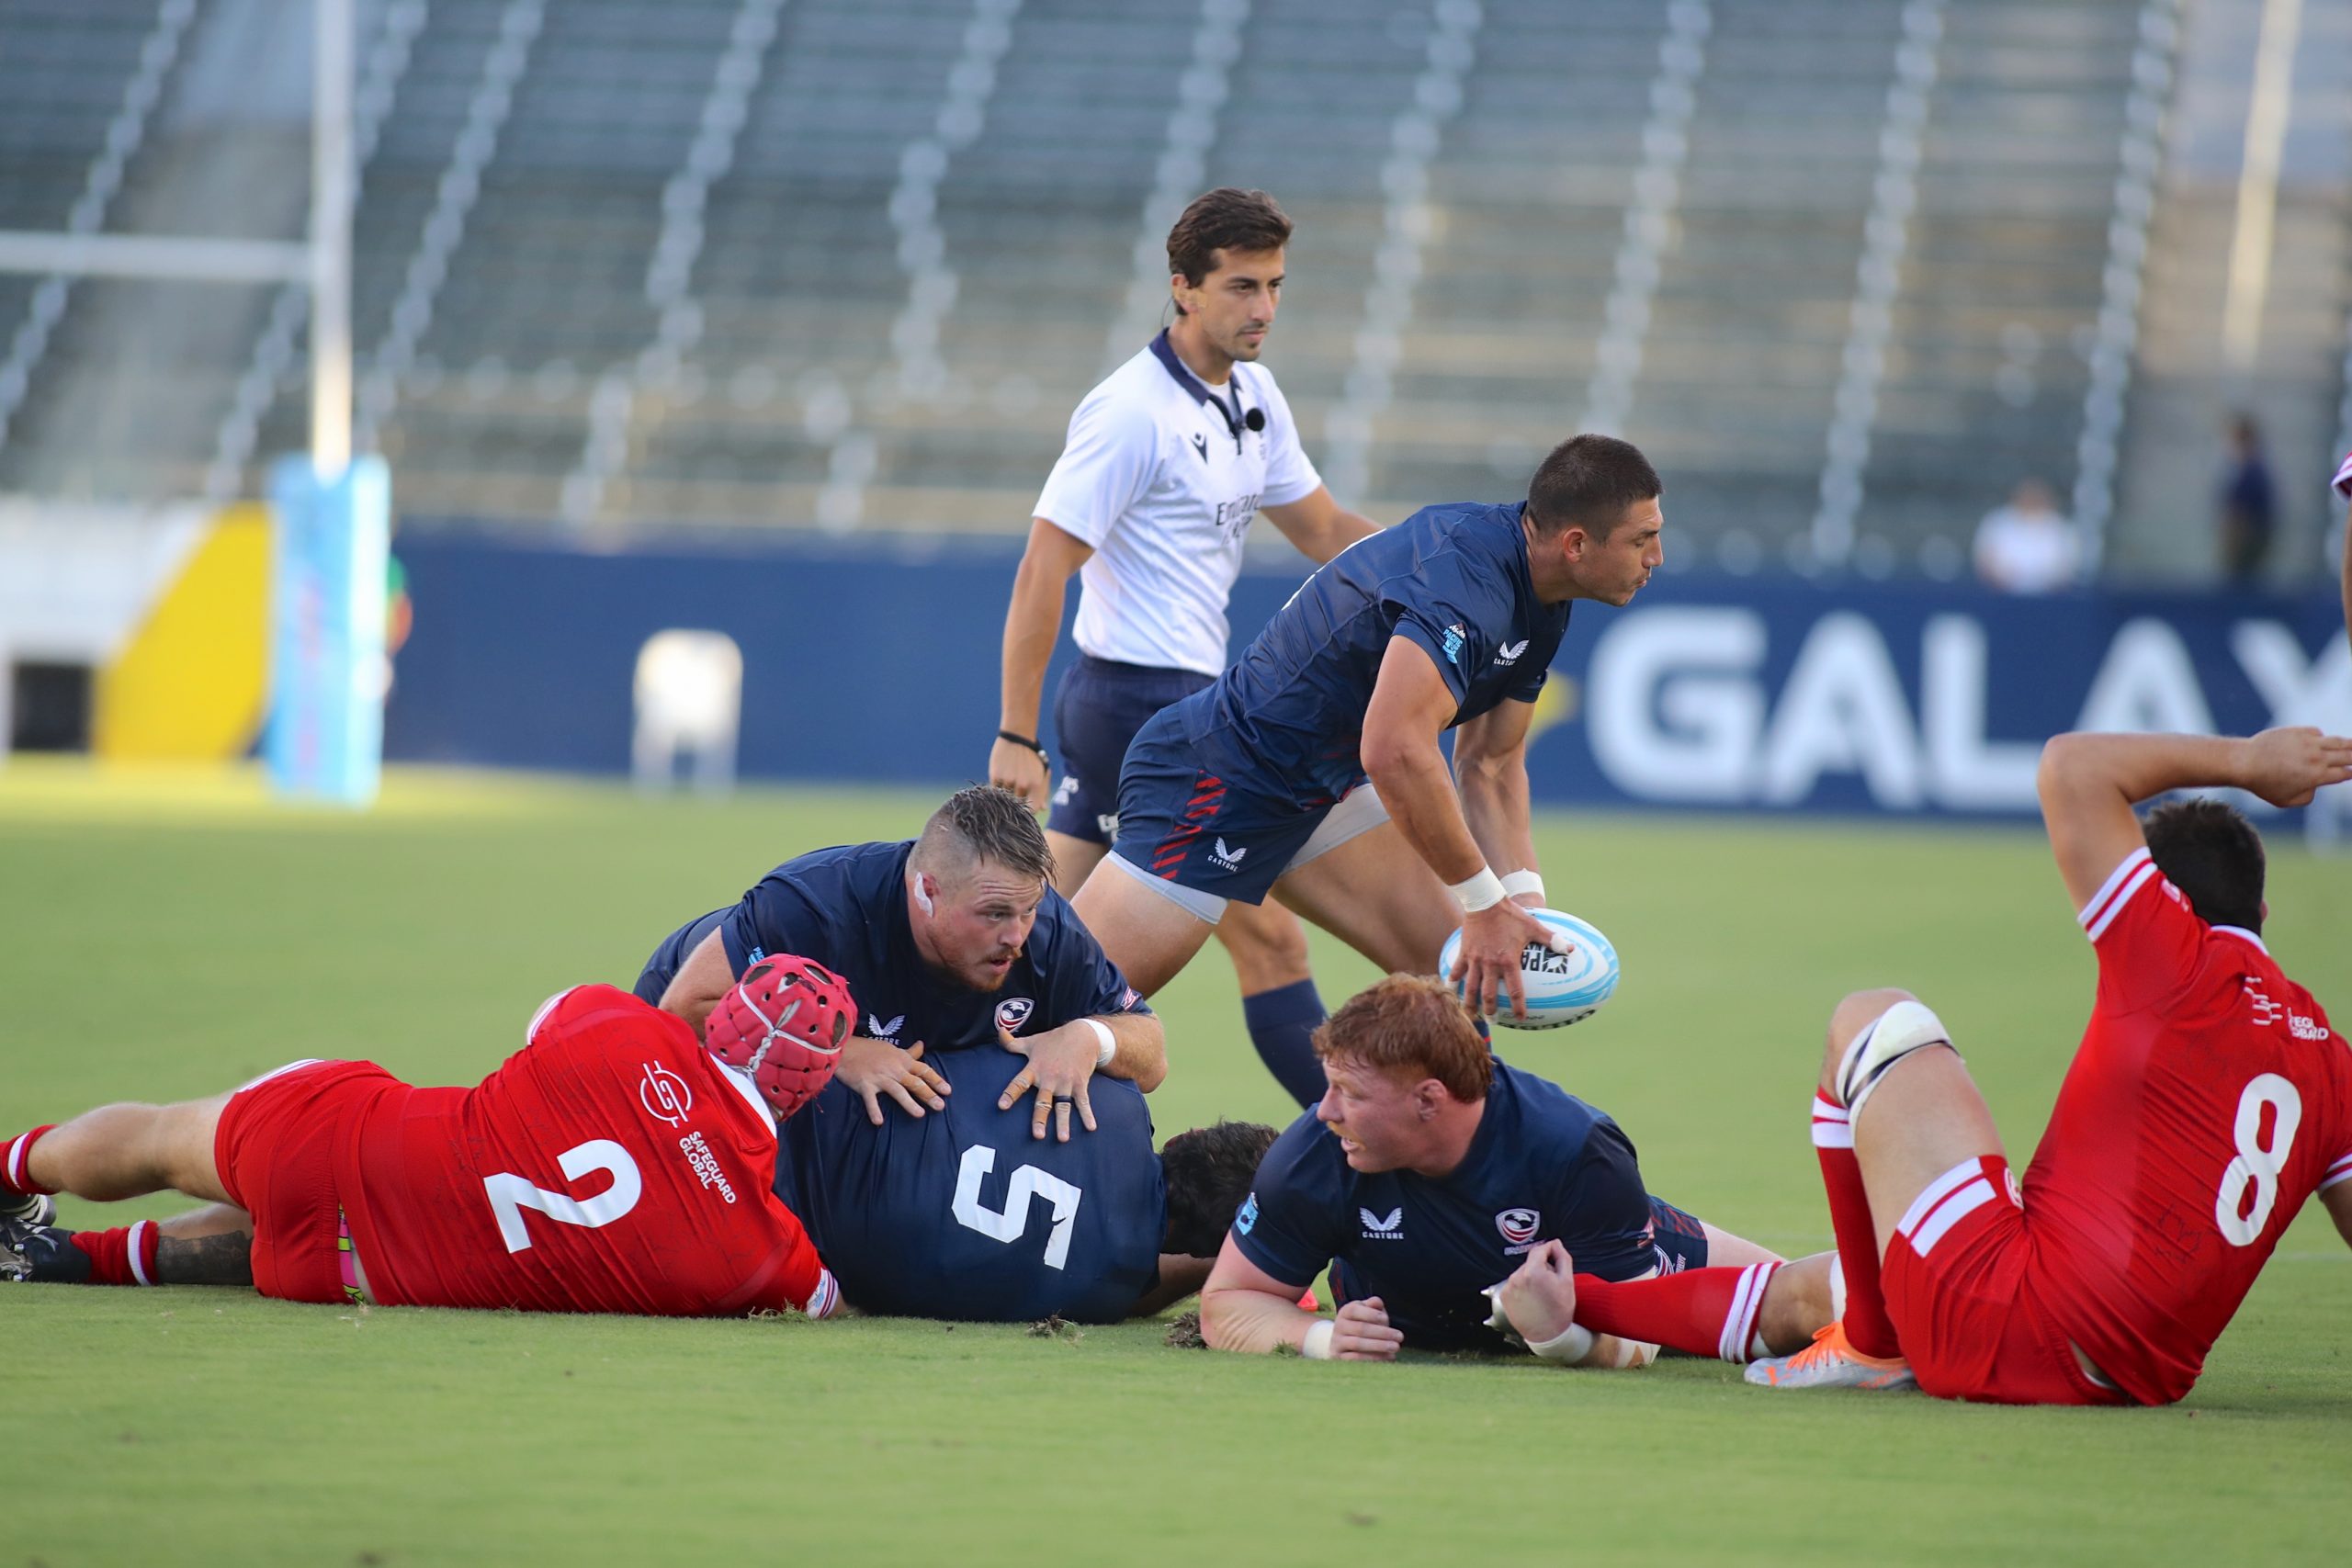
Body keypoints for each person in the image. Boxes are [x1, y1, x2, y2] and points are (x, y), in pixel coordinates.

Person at [1723, 727, 2352, 1404]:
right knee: (1816, 1283)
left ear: (2161, 893)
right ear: (2262, 911)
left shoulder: (2171, 951)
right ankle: (1639, 1305)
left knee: (1875, 1020)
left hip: (2004, 1332)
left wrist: (2248, 761)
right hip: (2135, 1385)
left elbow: (2072, 764)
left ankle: (1868, 1344)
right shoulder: (2332, 1058)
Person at [989, 186, 1381, 1109]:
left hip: (1171, 707)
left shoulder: (1254, 395)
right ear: (1184, 288)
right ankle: (1360, 1147)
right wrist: (1014, 734)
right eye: (1242, 286)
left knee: (1024, 945)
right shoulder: (1131, 411)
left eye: (1275, 285)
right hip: (1144, 709)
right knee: (1269, 943)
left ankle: (937, 1072)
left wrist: (1440, 573)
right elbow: (1044, 565)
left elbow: (1324, 529)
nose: (1264, 307)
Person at [1070, 434, 1666, 1026]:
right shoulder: (1467, 582)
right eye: (1642, 539)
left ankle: (1364, 1092)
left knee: (1456, 1005)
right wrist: (1483, 903)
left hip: (1320, 787)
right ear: (1575, 544)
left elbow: (1490, 763)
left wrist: (1522, 905)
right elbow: (1395, 749)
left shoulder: (1544, 597)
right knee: (1066, 1012)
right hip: (1220, 778)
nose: (1656, 557)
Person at [1, 959, 856, 1320]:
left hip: (336, 1138)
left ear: (725, 1015)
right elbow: (825, 1301)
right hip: (346, 1274)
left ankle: (15, 1168)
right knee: (290, 1229)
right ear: (813, 1090)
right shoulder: (763, 1249)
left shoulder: (624, 1025)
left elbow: (545, 1018)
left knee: (160, 1137)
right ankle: (64, 1259)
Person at [1196, 975, 1831, 1364]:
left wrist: (1556, 1337)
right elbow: (1228, 1303)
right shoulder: (1315, 1153)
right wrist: (1321, 1339)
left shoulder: (1575, 1148)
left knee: (1815, 1315)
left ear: (1429, 1100)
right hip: (1426, 1326)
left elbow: (1638, 1343)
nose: (1325, 1110)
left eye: (1351, 1094)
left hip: (1602, 1277)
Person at [637, 785, 1162, 1142]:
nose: (1016, 936)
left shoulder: (1046, 932)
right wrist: (838, 1052)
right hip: (682, 1028)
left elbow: (1151, 1053)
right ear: (927, 892)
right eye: (994, 914)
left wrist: (1090, 1038)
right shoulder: (815, 908)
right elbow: (683, 1011)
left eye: (1028, 910)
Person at [775, 1043, 1275, 1322]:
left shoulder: (1114, 1099)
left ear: (1187, 1137)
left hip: (791, 1100)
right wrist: (1253, 1256)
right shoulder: (1108, 1297)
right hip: (779, 1236)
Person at [1971, 479, 2078, 593]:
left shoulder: (2061, 527)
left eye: (2036, 495)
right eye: (2027, 494)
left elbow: (2069, 567)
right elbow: (1984, 561)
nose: (2031, 499)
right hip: (2001, 595)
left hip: (2052, 597)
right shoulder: (1996, 522)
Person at [2219, 413, 2277, 582]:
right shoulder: (2240, 471)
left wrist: (2239, 537)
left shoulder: (2254, 473)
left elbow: (2246, 516)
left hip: (2248, 547)